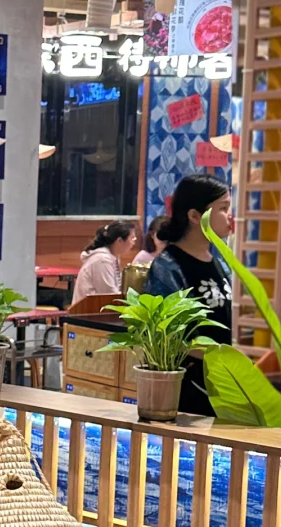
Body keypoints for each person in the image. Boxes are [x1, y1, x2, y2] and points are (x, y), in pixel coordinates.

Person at [146, 174, 234, 416]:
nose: (230, 216)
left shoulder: (220, 264)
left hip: (226, 384)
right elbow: (168, 337)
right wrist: (219, 357)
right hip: (190, 391)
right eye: (223, 208)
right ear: (194, 216)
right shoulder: (168, 267)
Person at [70, 220, 139, 304]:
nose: (133, 243)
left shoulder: (112, 257)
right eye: (132, 238)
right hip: (87, 313)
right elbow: (109, 296)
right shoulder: (102, 260)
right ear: (119, 241)